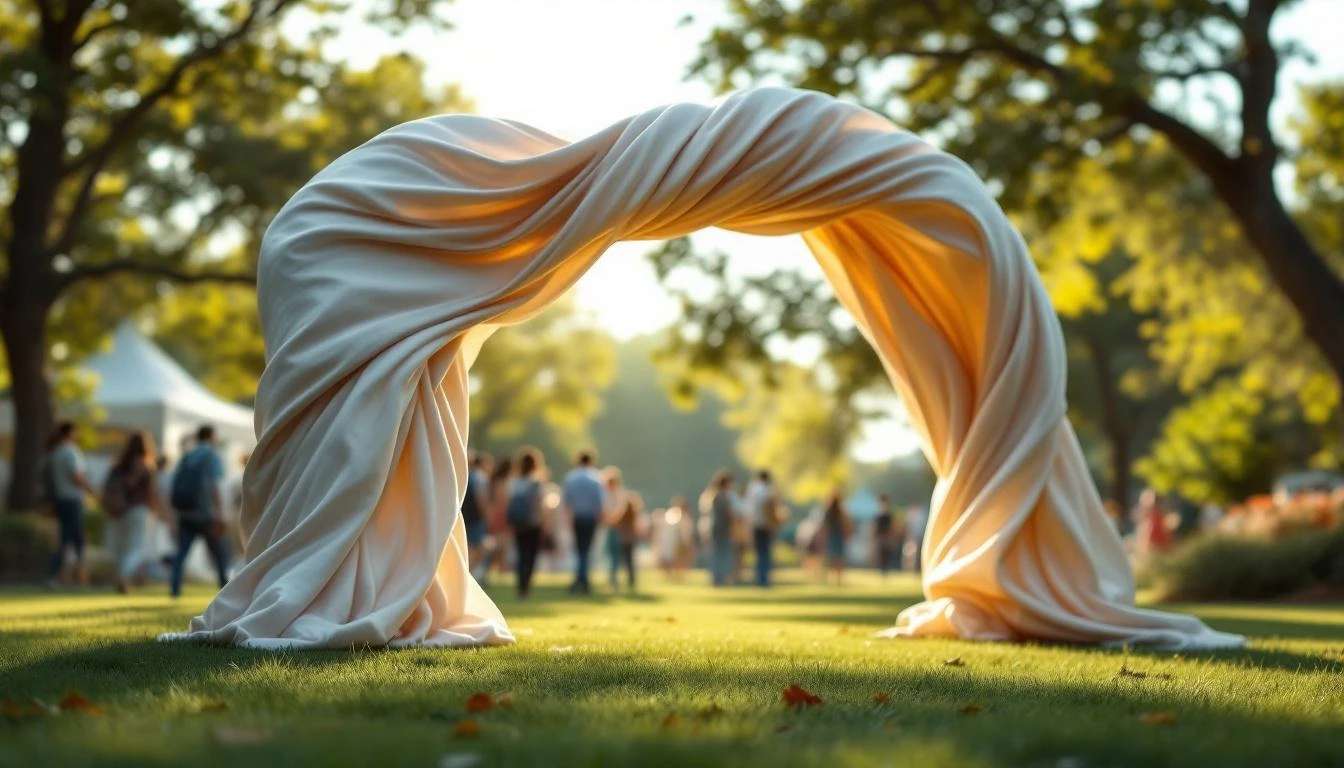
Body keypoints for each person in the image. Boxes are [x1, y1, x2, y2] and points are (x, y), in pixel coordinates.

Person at [169, 425, 230, 597]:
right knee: (219, 553)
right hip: (206, 513)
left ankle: (174, 589)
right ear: (211, 437)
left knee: (181, 553)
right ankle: (225, 588)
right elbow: (215, 486)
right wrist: (219, 513)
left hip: (185, 511)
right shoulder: (211, 456)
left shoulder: (187, 456)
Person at [102, 431, 162, 593]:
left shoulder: (119, 466)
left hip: (119, 511)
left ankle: (124, 579)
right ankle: (123, 575)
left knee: (122, 547)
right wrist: (159, 512)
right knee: (136, 548)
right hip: (139, 510)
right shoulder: (147, 466)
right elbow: (152, 494)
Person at [44, 422, 95, 588]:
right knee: (74, 539)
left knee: (66, 538)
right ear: (71, 433)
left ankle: (64, 574)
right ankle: (75, 574)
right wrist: (90, 489)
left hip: (61, 499)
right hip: (72, 499)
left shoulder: (56, 452)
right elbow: (76, 475)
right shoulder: (70, 452)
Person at [561, 450, 605, 594]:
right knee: (586, 549)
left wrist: (567, 520)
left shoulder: (571, 478)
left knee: (579, 549)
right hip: (590, 518)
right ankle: (583, 580)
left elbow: (567, 502)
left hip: (576, 517)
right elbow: (600, 502)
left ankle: (580, 578)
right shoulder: (596, 478)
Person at [506, 447, 545, 599]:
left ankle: (520, 586)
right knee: (531, 556)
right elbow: (540, 505)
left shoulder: (514, 482)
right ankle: (526, 586)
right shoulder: (536, 483)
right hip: (533, 523)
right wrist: (544, 523)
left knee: (521, 553)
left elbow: (509, 502)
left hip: (518, 523)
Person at [603, 468, 643, 592]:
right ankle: (621, 580)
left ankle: (616, 581)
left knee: (619, 557)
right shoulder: (612, 495)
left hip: (619, 531)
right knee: (622, 558)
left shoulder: (621, 496)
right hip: (619, 531)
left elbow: (618, 515)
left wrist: (609, 520)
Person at [744, 469, 782, 587]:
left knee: (759, 552)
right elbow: (769, 507)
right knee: (765, 552)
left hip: (754, 524)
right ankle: (763, 579)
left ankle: (759, 577)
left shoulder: (752, 490)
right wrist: (773, 523)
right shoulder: (766, 490)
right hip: (764, 524)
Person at [483, 456, 514, 584]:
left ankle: (497, 571)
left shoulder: (493, 481)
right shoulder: (504, 482)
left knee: (498, 544)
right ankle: (500, 571)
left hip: (495, 514)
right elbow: (504, 501)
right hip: (503, 515)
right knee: (502, 545)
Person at [707, 470, 737, 587]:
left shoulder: (714, 495)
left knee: (718, 553)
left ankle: (719, 578)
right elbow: (728, 513)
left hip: (717, 528)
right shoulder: (722, 496)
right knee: (723, 554)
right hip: (722, 529)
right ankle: (721, 578)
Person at [462, 451, 491, 573]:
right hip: (476, 517)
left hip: (465, 516)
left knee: (468, 546)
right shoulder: (480, 477)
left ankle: (467, 571)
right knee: (479, 547)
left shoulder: (466, 475)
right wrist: (486, 514)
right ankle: (468, 572)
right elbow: (481, 498)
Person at [822, 489, 853, 586]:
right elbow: (847, 524)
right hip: (837, 536)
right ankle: (838, 579)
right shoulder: (839, 512)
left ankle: (833, 578)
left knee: (833, 558)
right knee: (838, 558)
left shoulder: (831, 511)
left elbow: (825, 526)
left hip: (834, 536)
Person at [873, 493, 902, 577]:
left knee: (886, 555)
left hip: (887, 537)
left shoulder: (888, 514)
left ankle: (884, 571)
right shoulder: (878, 514)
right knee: (881, 555)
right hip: (881, 537)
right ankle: (883, 571)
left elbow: (893, 525)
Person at [903, 504, 928, 573]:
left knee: (914, 555)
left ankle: (912, 570)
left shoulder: (921, 513)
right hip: (911, 536)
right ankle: (908, 570)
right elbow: (907, 525)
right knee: (909, 554)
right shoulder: (911, 513)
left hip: (918, 537)